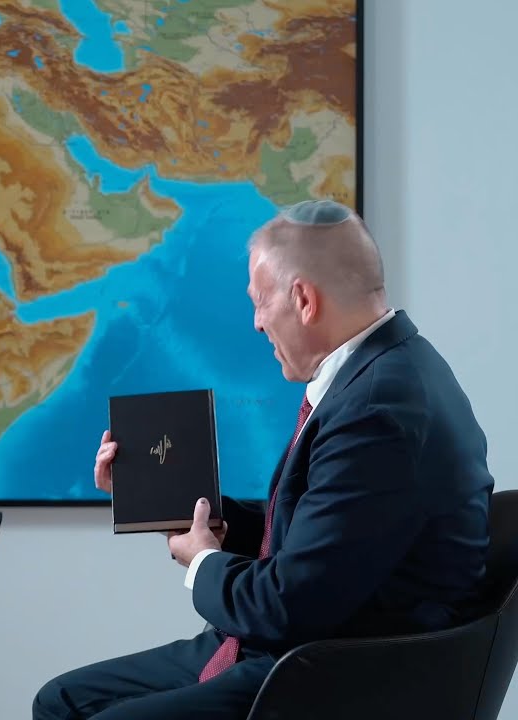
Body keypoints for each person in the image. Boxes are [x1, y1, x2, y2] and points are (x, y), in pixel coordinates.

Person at [32, 200, 493, 719]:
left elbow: (287, 606)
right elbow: (323, 535)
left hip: (329, 671)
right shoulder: (392, 371)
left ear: (303, 300)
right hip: (304, 642)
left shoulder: (377, 409)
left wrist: (203, 561)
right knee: (61, 701)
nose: (255, 324)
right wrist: (165, 500)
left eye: (259, 302)